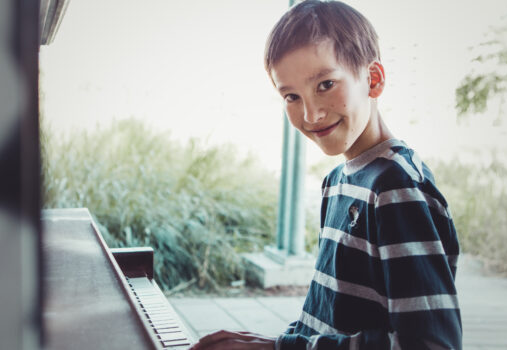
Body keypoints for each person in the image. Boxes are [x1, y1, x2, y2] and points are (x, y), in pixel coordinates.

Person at [190, 1, 462, 349]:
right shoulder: (337, 182)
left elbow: (430, 344)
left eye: (325, 84)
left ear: (373, 79)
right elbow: (332, 320)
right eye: (291, 96)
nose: (311, 113)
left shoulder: (396, 187)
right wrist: (272, 342)